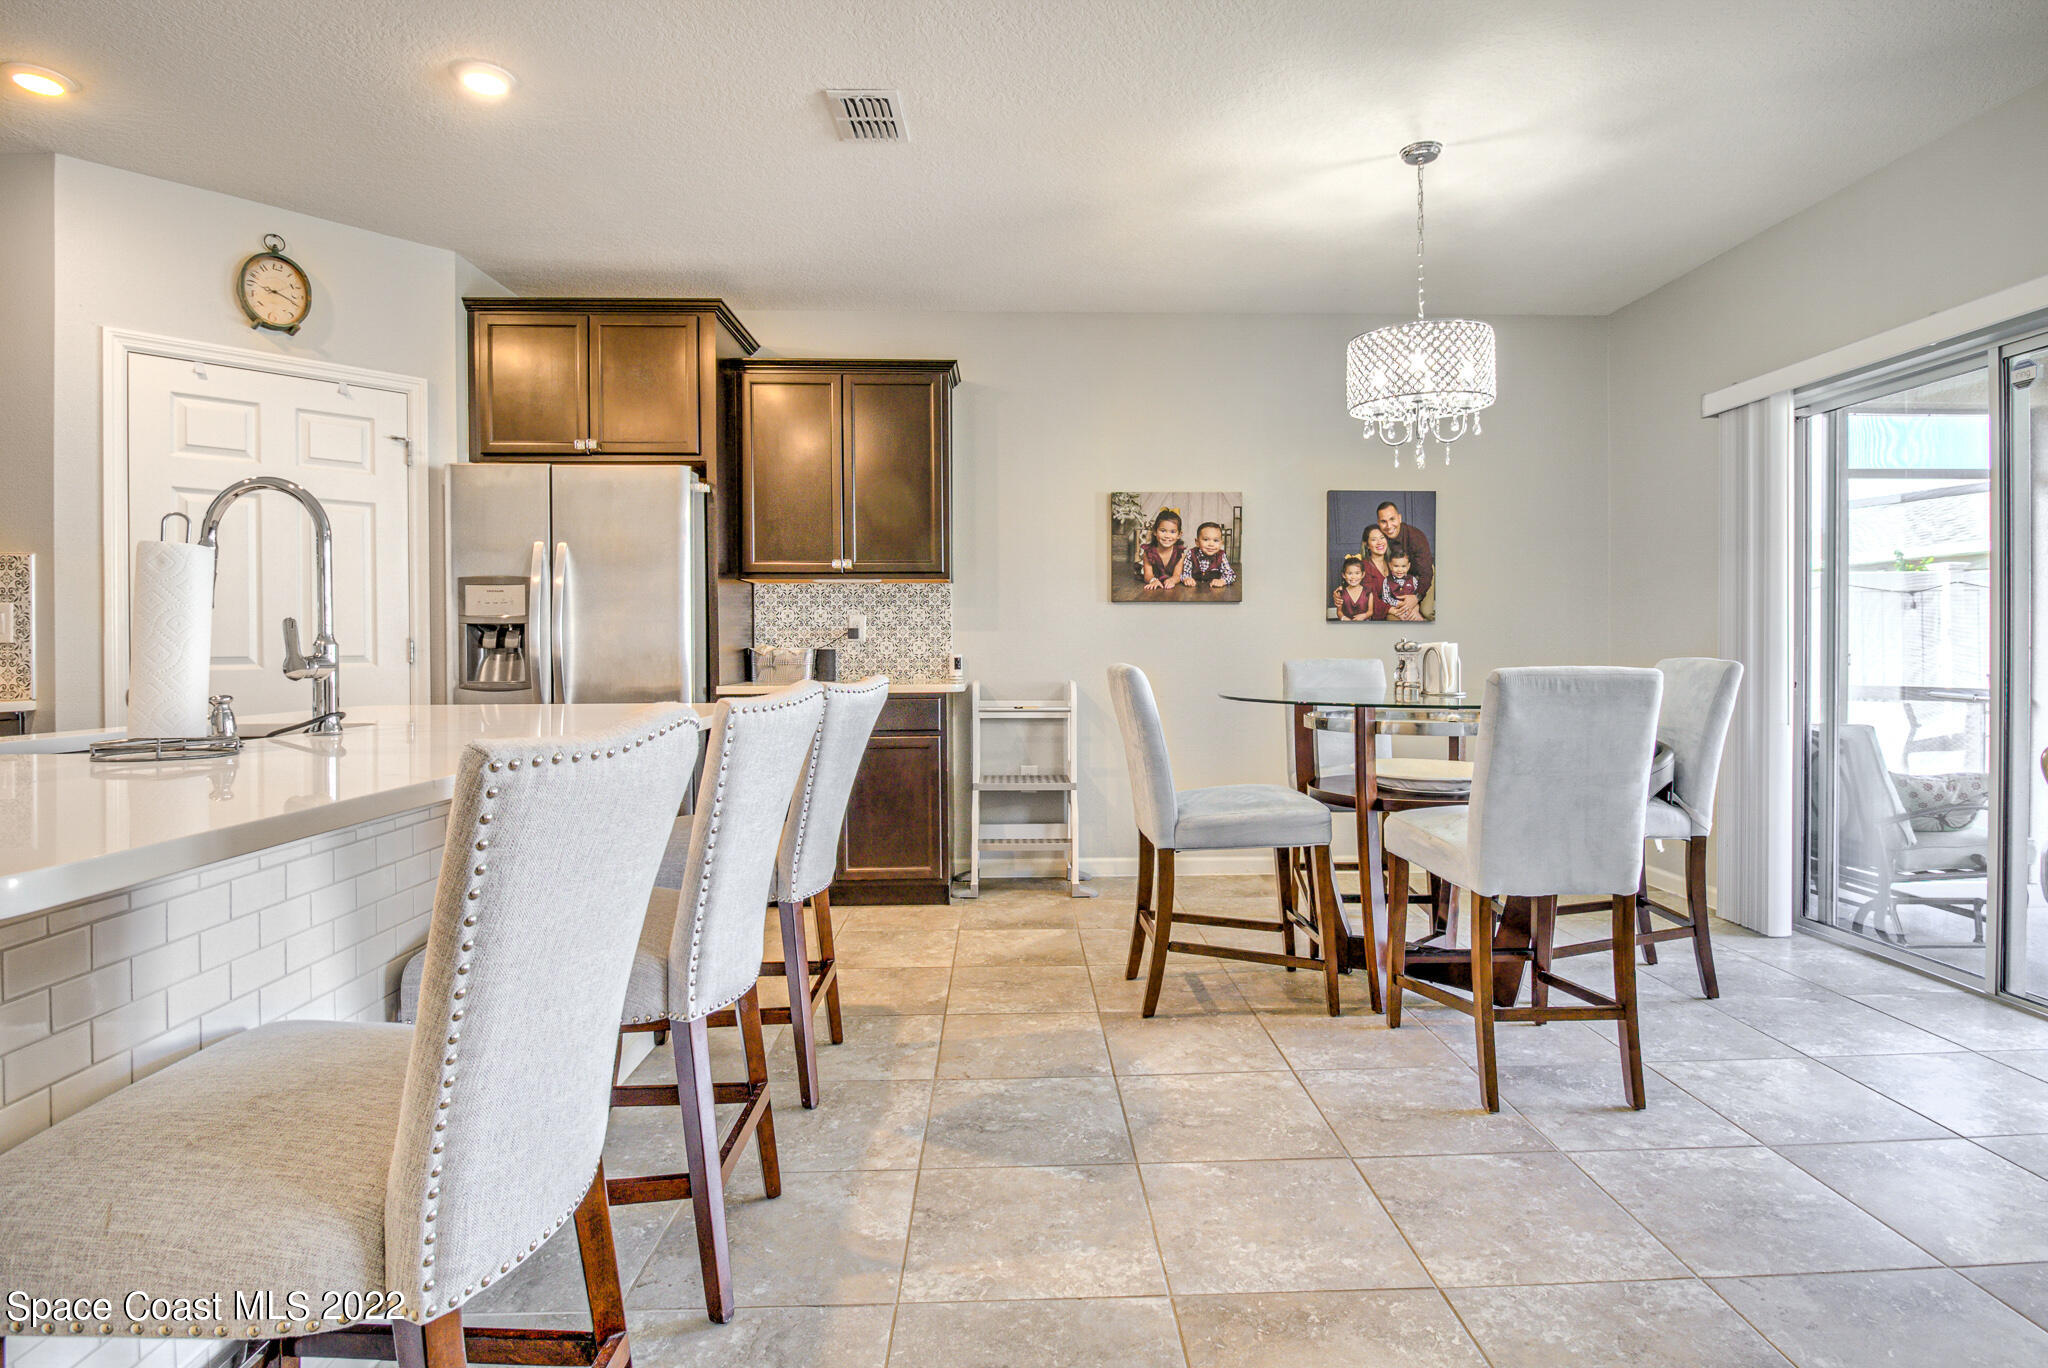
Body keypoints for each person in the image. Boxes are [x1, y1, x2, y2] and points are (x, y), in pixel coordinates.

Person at [1373, 500, 1434, 616]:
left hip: (1420, 575)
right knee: (1398, 613)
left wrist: (1416, 597)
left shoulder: (1416, 537)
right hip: (1394, 579)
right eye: (1383, 521)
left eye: (1392, 519)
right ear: (1378, 523)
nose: (1389, 526)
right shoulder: (1378, 537)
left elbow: (1426, 573)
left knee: (1426, 612)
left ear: (1399, 518)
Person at [1135, 508, 1190, 592]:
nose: (1167, 536)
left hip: (1171, 588)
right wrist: (1153, 581)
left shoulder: (1180, 554)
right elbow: (1148, 575)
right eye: (1163, 531)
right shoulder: (1148, 552)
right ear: (1155, 532)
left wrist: (1172, 580)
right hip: (1155, 586)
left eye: (1172, 532)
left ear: (1179, 534)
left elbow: (1177, 575)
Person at [1187, 521, 1237, 592]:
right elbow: (1185, 572)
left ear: (1221, 544)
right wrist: (1187, 578)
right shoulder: (1191, 553)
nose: (1211, 544)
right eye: (1206, 539)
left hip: (1214, 590)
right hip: (1194, 588)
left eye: (1216, 540)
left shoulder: (1221, 555)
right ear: (1197, 542)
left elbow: (1231, 575)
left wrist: (1222, 581)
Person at [1380, 548, 1423, 620]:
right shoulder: (1386, 581)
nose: (1400, 570)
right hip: (1396, 609)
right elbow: (1386, 598)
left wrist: (1415, 607)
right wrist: (1398, 603)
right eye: (1396, 566)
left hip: (1411, 607)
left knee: (1418, 619)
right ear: (1390, 565)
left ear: (1408, 566)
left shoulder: (1413, 579)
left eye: (1403, 566)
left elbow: (1417, 594)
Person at [1332, 554, 1373, 620]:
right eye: (1350, 573)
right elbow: (1339, 612)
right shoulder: (1341, 592)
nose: (1353, 577)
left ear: (1363, 574)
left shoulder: (1368, 592)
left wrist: (1364, 616)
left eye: (1357, 573)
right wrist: (1344, 618)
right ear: (1343, 575)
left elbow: (1370, 611)